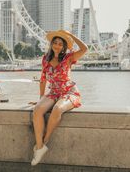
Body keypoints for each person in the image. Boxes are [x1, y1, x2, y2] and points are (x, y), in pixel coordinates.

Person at [31, 30, 88, 166]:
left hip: (69, 92)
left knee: (57, 109)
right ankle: (39, 148)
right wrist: (40, 98)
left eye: (60, 44)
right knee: (37, 110)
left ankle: (45, 141)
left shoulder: (69, 58)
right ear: (51, 44)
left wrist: (70, 35)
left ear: (64, 47)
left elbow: (85, 49)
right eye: (55, 43)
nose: (57, 45)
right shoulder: (45, 59)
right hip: (53, 92)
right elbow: (43, 79)